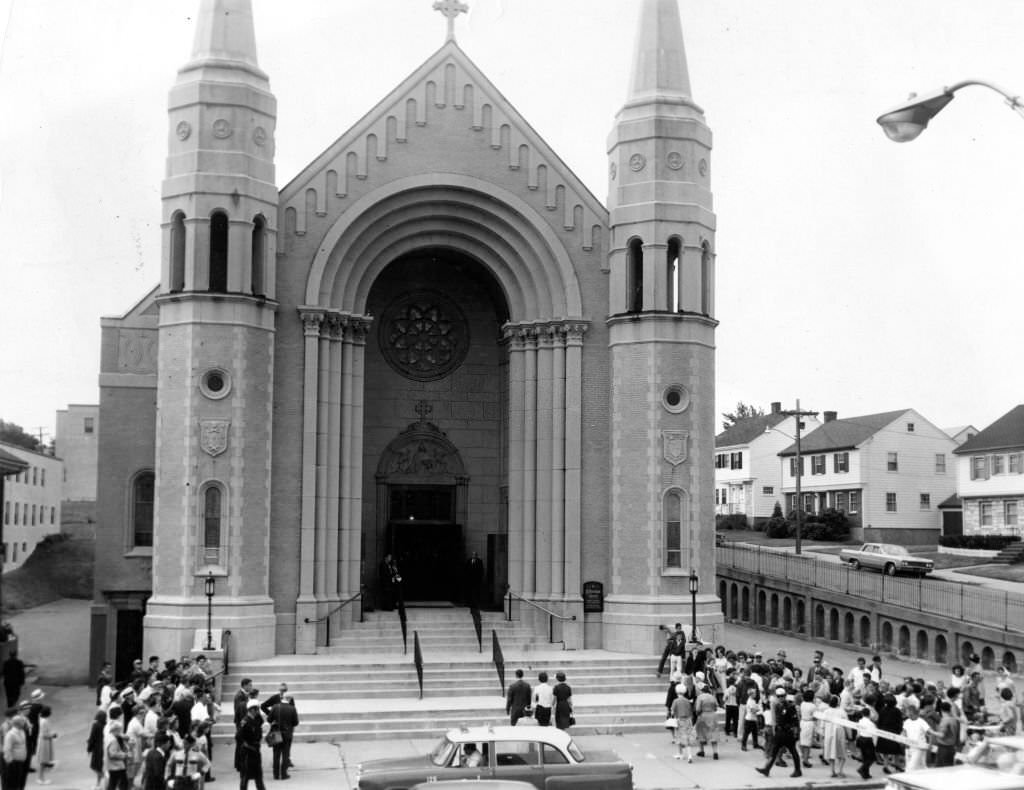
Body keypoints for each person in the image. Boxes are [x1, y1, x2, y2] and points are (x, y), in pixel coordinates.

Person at [756, 693, 801, 778]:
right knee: (774, 751)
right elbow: (777, 720)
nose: (780, 698)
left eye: (782, 696)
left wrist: (795, 733)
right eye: (779, 696)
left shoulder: (791, 708)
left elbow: (795, 722)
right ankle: (767, 769)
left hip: (788, 733)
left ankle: (798, 770)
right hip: (780, 732)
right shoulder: (779, 707)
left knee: (793, 751)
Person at [235, 700, 265, 790]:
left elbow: (259, 728)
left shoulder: (256, 720)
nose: (258, 712)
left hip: (256, 751)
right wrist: (246, 745)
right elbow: (238, 736)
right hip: (247, 753)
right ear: (252, 710)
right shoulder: (245, 721)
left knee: (259, 776)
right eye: (256, 710)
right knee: (245, 777)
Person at [267, 695, 298, 780]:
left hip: (276, 733)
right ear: (289, 700)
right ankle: (284, 774)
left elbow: (269, 719)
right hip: (287, 734)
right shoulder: (292, 708)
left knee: (276, 754)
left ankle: (275, 775)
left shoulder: (275, 707)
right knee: (285, 754)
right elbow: (296, 723)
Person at [820, 694, 847, 778]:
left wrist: (822, 736)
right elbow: (846, 724)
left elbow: (822, 725)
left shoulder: (826, 712)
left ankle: (832, 771)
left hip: (829, 733)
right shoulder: (842, 712)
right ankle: (840, 770)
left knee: (831, 753)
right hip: (839, 733)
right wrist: (849, 736)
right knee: (841, 753)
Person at [900, 704, 931, 772]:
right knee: (920, 766)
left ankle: (907, 779)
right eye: (907, 713)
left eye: (908, 713)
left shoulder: (921, 722)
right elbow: (904, 732)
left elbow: (930, 732)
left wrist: (930, 744)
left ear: (912, 712)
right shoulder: (906, 722)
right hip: (909, 747)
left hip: (919, 747)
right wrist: (902, 738)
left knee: (910, 767)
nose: (907, 714)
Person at [693, 683, 719, 760]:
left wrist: (698, 714)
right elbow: (716, 707)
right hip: (712, 715)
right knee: (713, 733)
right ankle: (715, 752)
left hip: (703, 715)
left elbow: (697, 709)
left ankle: (701, 751)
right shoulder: (712, 697)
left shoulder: (700, 697)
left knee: (701, 732)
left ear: (702, 690)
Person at [670, 688, 695, 762]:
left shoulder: (676, 701)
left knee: (680, 736)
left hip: (680, 720)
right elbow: (691, 711)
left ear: (677, 692)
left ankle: (681, 754)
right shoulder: (687, 700)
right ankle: (688, 755)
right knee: (688, 736)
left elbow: (672, 711)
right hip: (688, 720)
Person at [104, 719, 130, 790]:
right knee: (124, 784)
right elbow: (112, 754)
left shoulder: (108, 737)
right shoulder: (113, 740)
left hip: (110, 765)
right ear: (115, 730)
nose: (120, 731)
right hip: (117, 766)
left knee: (112, 783)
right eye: (119, 730)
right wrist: (125, 755)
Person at [86, 709, 108, 790]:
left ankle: (105, 779)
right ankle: (98, 784)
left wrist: (89, 749)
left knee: (95, 766)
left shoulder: (95, 725)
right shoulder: (105, 724)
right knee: (99, 766)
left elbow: (92, 737)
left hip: (97, 748)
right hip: (104, 747)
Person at [35, 705, 56, 785]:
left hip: (45, 741)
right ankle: (41, 779)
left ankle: (41, 778)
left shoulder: (43, 719)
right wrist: (52, 735)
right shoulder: (44, 721)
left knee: (43, 761)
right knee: (42, 761)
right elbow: (44, 734)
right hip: (44, 742)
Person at [739, 687, 760, 751]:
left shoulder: (753, 700)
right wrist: (757, 709)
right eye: (754, 693)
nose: (755, 694)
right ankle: (743, 745)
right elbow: (753, 710)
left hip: (753, 718)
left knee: (755, 732)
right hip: (749, 719)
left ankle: (755, 744)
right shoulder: (750, 701)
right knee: (746, 733)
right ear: (751, 694)